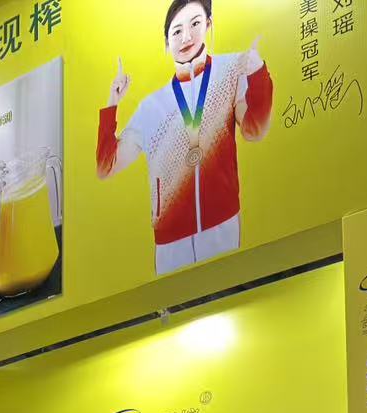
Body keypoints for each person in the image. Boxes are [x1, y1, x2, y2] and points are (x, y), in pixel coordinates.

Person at [96, 0, 273, 274]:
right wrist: (112, 102)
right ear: (166, 43)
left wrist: (258, 73)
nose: (186, 37)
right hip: (170, 240)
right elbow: (106, 167)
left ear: (209, 25)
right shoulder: (151, 107)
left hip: (222, 224)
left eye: (195, 24)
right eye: (177, 31)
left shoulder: (230, 72)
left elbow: (254, 130)